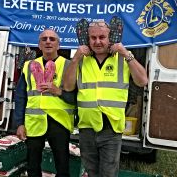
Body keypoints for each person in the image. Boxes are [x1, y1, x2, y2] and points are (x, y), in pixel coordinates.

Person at [63, 20, 148, 177]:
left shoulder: (122, 58)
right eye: (93, 37)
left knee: (108, 173)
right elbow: (67, 87)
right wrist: (75, 59)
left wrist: (126, 54)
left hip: (111, 128)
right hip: (87, 127)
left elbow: (142, 81)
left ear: (111, 38)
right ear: (87, 39)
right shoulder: (81, 59)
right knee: (91, 172)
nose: (97, 41)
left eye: (102, 37)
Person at [14, 29, 76, 177]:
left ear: (59, 45)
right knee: (33, 166)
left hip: (59, 121)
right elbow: (21, 96)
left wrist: (58, 91)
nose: (48, 41)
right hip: (34, 123)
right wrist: (19, 123)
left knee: (62, 166)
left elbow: (77, 97)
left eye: (52, 39)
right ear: (39, 45)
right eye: (44, 39)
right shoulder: (29, 66)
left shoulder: (69, 66)